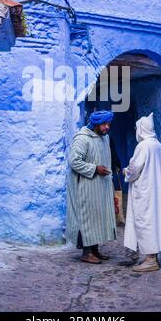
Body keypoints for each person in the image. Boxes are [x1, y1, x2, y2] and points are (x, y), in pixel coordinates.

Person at [66, 110, 117, 264]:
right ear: (95, 124)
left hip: (100, 187)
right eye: (104, 124)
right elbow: (73, 161)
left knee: (98, 219)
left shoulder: (104, 138)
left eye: (108, 124)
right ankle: (86, 253)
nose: (107, 127)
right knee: (87, 219)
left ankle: (94, 250)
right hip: (86, 188)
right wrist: (95, 169)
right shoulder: (82, 139)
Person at [122, 113, 161, 272]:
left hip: (145, 192)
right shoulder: (159, 146)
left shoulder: (143, 146)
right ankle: (153, 256)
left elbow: (134, 169)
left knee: (145, 223)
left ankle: (150, 260)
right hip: (156, 192)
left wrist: (125, 172)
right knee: (154, 221)